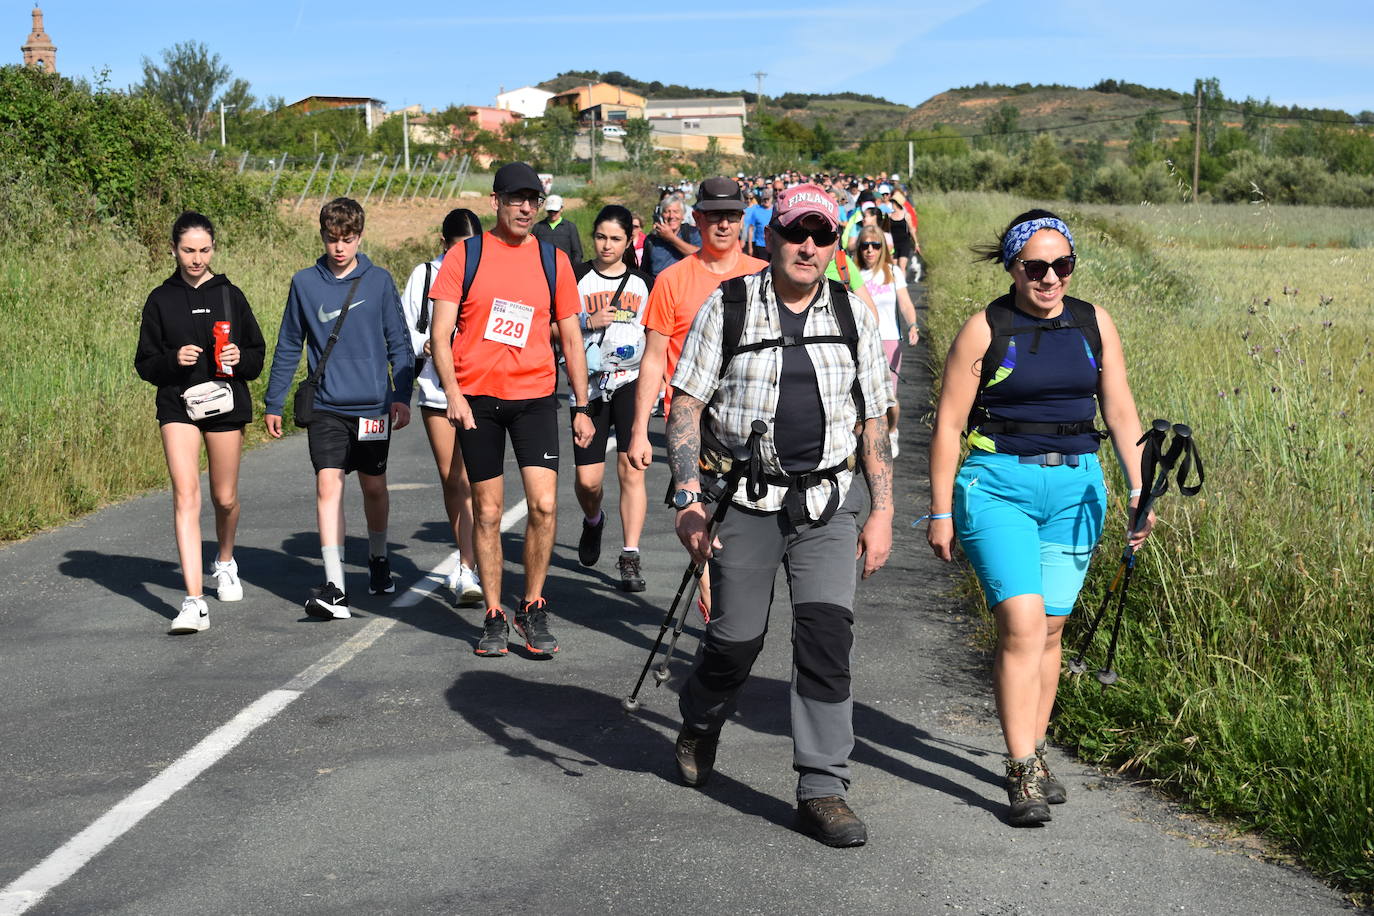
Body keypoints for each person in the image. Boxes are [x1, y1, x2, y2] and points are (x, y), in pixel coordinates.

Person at [665, 183, 893, 848]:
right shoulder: (729, 306)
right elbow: (685, 404)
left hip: (828, 502)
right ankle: (700, 719)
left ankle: (823, 788)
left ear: (834, 244)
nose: (809, 246)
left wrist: (882, 511)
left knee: (826, 640)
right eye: (797, 233)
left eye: (822, 235)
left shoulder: (854, 312)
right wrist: (687, 497)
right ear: (772, 238)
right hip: (745, 498)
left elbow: (875, 417)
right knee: (735, 640)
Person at [926, 209, 1156, 827]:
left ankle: (1037, 747)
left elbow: (1120, 409)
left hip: (1078, 490)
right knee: (1024, 625)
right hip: (996, 487)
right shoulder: (985, 328)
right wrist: (941, 510)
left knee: (1051, 630)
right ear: (1013, 268)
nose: (1050, 278)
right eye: (1036, 267)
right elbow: (949, 424)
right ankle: (1021, 768)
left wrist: (1140, 489)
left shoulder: (1093, 322)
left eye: (1062, 266)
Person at [427, 161, 595, 658]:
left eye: (533, 200)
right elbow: (439, 335)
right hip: (477, 400)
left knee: (544, 506)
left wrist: (581, 404)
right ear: (496, 201)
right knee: (488, 512)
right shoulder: (466, 255)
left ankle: (534, 604)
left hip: (536, 397)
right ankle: (495, 613)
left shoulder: (552, 260)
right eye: (516, 199)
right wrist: (453, 395)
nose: (525, 208)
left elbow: (571, 335)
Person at [264, 198, 414, 619]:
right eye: (332, 239)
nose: (339, 248)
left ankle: (379, 557)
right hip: (326, 407)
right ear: (322, 236)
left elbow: (399, 343)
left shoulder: (379, 281)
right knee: (328, 485)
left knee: (373, 486)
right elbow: (290, 344)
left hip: (372, 407)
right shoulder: (304, 283)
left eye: (347, 239)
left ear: (360, 237)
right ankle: (335, 586)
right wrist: (274, 400)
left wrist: (401, 395)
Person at [136, 211, 266, 634]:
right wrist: (173, 360)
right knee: (185, 495)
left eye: (204, 250)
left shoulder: (231, 294)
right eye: (188, 250)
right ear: (173, 249)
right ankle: (193, 601)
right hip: (178, 404)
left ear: (214, 249)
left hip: (225, 402)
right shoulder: (160, 298)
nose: (196, 258)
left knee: (224, 498)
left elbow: (256, 354)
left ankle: (225, 561)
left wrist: (238, 359)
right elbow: (145, 363)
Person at [401, 207, 484, 605]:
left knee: (477, 481)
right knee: (454, 480)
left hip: (484, 390)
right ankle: (467, 563)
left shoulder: (489, 271)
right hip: (436, 392)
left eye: (469, 249)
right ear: (442, 244)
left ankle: (476, 559)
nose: (462, 257)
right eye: (455, 249)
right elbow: (405, 332)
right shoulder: (426, 275)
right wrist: (427, 346)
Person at [571, 205, 654, 591]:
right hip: (587, 386)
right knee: (589, 481)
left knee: (630, 469)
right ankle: (593, 521)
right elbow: (552, 329)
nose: (607, 245)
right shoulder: (576, 278)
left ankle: (630, 555)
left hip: (630, 383)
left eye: (615, 239)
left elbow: (656, 338)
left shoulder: (643, 284)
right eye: (601, 237)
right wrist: (588, 322)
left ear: (628, 241)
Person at [855, 226, 919, 456]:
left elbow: (906, 304)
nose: (870, 250)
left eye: (875, 245)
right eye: (865, 246)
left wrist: (912, 325)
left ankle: (892, 431)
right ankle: (862, 438)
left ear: (883, 247)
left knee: (888, 396)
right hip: (862, 341)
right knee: (861, 394)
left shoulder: (892, 272)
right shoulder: (853, 273)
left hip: (890, 340)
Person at [639, 195, 700, 279]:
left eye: (676, 211)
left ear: (683, 215)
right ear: (661, 215)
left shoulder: (692, 233)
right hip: (659, 289)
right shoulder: (652, 240)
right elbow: (644, 271)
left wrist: (672, 238)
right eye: (667, 212)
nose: (671, 216)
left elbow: (700, 256)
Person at [531, 194, 583, 264]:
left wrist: (573, 270)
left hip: (564, 269)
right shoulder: (538, 227)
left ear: (561, 209)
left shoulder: (570, 227)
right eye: (550, 211)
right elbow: (533, 251)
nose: (552, 213)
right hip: (543, 270)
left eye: (555, 211)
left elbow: (577, 253)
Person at [740, 187, 773, 260]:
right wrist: (744, 241)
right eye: (746, 198)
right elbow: (746, 227)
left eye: (751, 198)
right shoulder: (745, 209)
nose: (748, 200)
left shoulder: (757, 208)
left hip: (764, 242)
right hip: (752, 241)